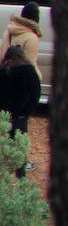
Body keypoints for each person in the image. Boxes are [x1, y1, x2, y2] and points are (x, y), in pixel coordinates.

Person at [0, 45, 41, 178]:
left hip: (3, 117)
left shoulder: (4, 71)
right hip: (20, 117)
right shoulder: (30, 72)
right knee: (19, 149)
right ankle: (21, 179)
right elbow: (36, 94)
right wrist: (27, 112)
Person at [2, 1, 42, 66]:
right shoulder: (31, 37)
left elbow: (2, 56)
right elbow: (30, 65)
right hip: (21, 74)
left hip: (7, 72)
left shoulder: (9, 30)